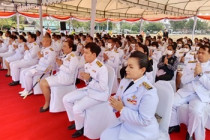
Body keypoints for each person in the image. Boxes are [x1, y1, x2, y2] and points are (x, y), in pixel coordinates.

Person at [101, 51, 159, 140]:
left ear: (142, 70)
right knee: (104, 135)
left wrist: (121, 109)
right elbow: (118, 97)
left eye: (131, 67)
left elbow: (144, 120)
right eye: (127, 65)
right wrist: (112, 103)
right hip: (126, 122)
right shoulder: (126, 81)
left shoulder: (148, 92)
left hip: (141, 130)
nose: (126, 69)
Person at [63, 42, 109, 138]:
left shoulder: (101, 68)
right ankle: (77, 121)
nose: (84, 55)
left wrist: (89, 79)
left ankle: (80, 127)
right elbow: (88, 82)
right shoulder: (87, 64)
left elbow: (103, 88)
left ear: (94, 55)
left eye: (87, 53)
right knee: (66, 99)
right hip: (89, 89)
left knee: (77, 107)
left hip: (99, 94)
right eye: (84, 52)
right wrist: (86, 79)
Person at [169, 45, 210, 140]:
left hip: (200, 95)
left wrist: (201, 75)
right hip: (187, 91)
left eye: (203, 53)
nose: (199, 54)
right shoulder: (191, 64)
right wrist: (194, 74)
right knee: (170, 102)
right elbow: (183, 80)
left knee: (195, 111)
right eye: (199, 52)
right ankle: (174, 124)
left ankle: (190, 132)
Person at [39, 40, 78, 112]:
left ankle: (47, 103)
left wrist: (61, 64)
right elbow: (60, 67)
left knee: (43, 84)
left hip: (67, 79)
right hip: (61, 75)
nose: (63, 48)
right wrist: (58, 62)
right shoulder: (66, 55)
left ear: (71, 48)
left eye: (65, 46)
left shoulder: (73, 58)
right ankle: (50, 99)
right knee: (42, 82)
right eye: (63, 46)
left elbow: (70, 71)